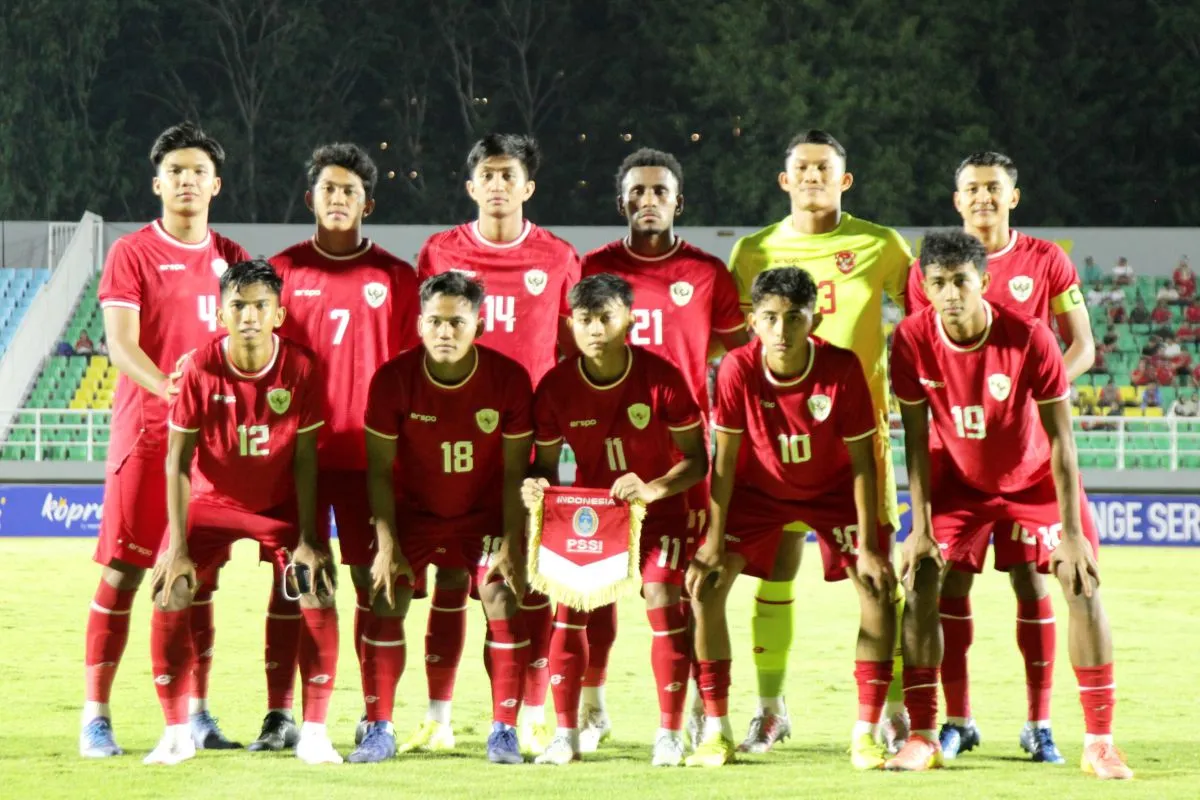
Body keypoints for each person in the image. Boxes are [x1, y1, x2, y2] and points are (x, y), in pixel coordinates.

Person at [889, 230, 1132, 779]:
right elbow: (913, 441)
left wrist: (1071, 532)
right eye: (938, 284)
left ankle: (1099, 742)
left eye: (960, 281)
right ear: (922, 287)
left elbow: (1063, 442)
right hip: (959, 483)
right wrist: (920, 526)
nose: (950, 294)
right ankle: (924, 734)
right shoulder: (908, 339)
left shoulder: (1029, 337)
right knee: (921, 579)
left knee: (1080, 581)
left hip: (1033, 480)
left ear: (984, 281)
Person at [904, 152, 1096, 763]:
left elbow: (1083, 346)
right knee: (947, 581)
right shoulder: (932, 267)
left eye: (994, 188)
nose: (983, 197)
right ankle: (956, 721)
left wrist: (1028, 395)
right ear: (956, 199)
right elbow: (932, 356)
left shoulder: (1047, 259)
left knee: (1031, 579)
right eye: (971, 188)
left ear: (1014, 195)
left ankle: (1038, 724)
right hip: (958, 454)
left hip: (1027, 452)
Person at [727, 129, 911, 753]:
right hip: (771, 444)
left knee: (879, 578)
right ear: (784, 180)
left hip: (855, 444)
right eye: (801, 168)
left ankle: (888, 710)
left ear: (845, 179)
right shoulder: (753, 251)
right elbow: (733, 344)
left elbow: (922, 323)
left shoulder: (879, 244)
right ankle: (771, 709)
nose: (812, 177)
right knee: (774, 575)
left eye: (824, 168)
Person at [246, 143, 420, 752]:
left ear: (367, 201)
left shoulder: (397, 278)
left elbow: (409, 372)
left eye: (350, 190)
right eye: (328, 189)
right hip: (301, 460)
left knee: (381, 586)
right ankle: (280, 714)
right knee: (294, 581)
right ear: (310, 198)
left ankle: (379, 719)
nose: (339, 199)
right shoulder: (282, 272)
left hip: (372, 460)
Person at [685, 268, 896, 769]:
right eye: (770, 318)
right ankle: (716, 731)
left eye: (794, 318)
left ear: (815, 318)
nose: (781, 331)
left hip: (831, 492)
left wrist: (868, 545)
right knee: (707, 587)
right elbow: (726, 460)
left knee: (876, 589)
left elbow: (864, 463)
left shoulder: (842, 368)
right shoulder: (736, 367)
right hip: (759, 495)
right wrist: (713, 541)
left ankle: (867, 732)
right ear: (752, 320)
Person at [83, 122, 248, 758]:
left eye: (197, 171)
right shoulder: (131, 252)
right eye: (174, 171)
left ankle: (198, 713)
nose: (186, 180)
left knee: (197, 577)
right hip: (148, 438)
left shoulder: (230, 258)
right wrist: (168, 389)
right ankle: (96, 716)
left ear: (216, 185)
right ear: (158, 183)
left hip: (212, 449)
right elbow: (120, 343)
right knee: (124, 573)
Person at [575, 148, 749, 750]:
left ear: (679, 202)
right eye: (637, 191)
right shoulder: (593, 267)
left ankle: (696, 709)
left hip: (679, 457)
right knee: (590, 588)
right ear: (620, 201)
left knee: (681, 589)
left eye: (660, 191)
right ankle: (592, 708)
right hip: (602, 456)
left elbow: (740, 357)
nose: (648, 201)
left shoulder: (706, 273)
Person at [415, 133, 580, 755]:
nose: (499, 184)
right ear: (471, 185)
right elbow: (424, 341)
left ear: (528, 186)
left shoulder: (558, 256)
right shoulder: (440, 252)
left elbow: (570, 352)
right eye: (488, 173)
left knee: (525, 582)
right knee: (451, 577)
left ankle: (529, 713)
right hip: (454, 438)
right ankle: (438, 716)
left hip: (532, 443)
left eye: (510, 174)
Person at [146, 259, 340, 765]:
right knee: (172, 587)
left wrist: (306, 535)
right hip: (212, 502)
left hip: (278, 504)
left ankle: (314, 731)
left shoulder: (302, 367)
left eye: (260, 306)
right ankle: (175, 732)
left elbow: (305, 460)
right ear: (220, 312)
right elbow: (177, 460)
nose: (249, 315)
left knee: (315, 583)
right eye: (238, 305)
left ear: (279, 314)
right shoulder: (200, 368)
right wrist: (178, 547)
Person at [521, 273, 708, 766]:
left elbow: (696, 460)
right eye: (584, 319)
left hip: (659, 515)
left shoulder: (662, 378)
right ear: (571, 325)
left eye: (606, 316)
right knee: (569, 606)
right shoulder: (556, 386)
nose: (595, 328)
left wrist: (652, 489)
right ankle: (566, 734)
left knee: (663, 596)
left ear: (629, 319)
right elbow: (542, 463)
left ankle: (668, 733)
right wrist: (538, 483)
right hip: (591, 518)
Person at [360, 272, 535, 765]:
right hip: (413, 517)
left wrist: (509, 541)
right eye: (435, 321)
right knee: (386, 594)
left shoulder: (509, 379)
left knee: (500, 594)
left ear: (478, 325)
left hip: (481, 518)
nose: (445, 332)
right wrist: (387, 543)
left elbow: (513, 474)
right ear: (419, 324)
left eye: (457, 322)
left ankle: (504, 731)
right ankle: (380, 728)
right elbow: (378, 471)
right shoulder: (393, 379)